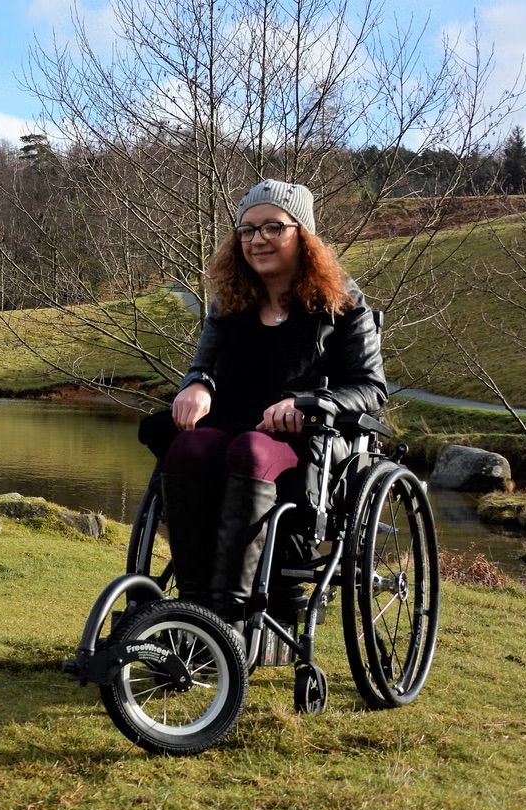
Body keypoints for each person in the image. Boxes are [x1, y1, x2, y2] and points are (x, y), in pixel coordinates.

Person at [161, 179, 386, 625]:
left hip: (310, 438)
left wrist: (308, 402)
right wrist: (198, 385)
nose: (257, 239)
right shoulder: (228, 302)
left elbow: (370, 388)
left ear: (302, 235)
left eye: (272, 227)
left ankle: (229, 614)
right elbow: (202, 366)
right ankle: (191, 606)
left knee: (251, 450)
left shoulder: (342, 301)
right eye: (246, 230)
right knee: (188, 447)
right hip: (232, 424)